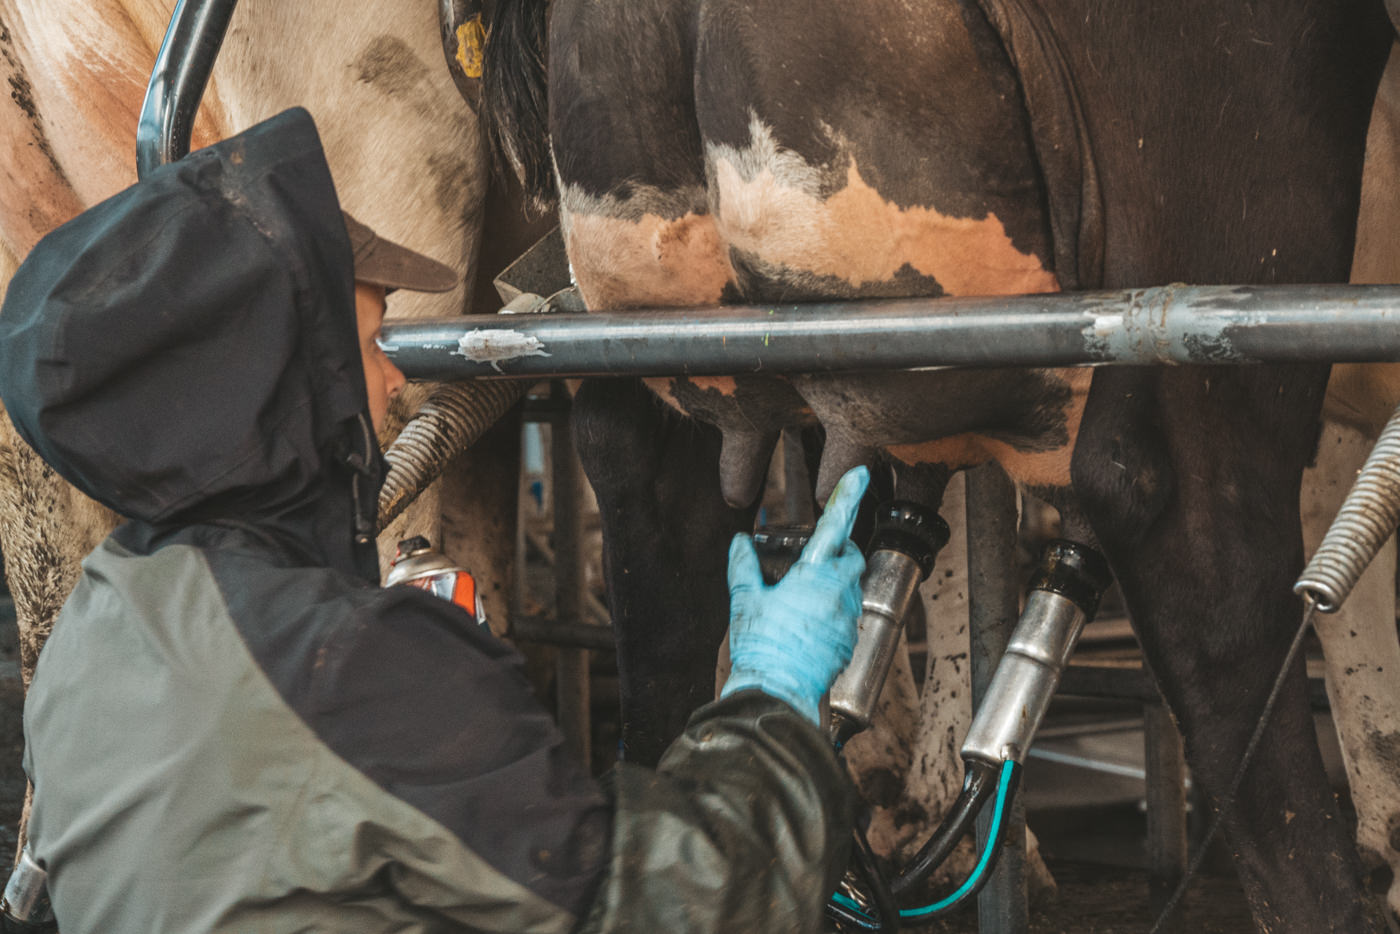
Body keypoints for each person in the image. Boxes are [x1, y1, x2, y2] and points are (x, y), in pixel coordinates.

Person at [0, 108, 872, 933]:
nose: (390, 383)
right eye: (365, 351)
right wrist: (771, 697)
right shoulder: (349, 670)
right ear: (289, 384)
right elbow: (679, 905)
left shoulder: (92, 629)